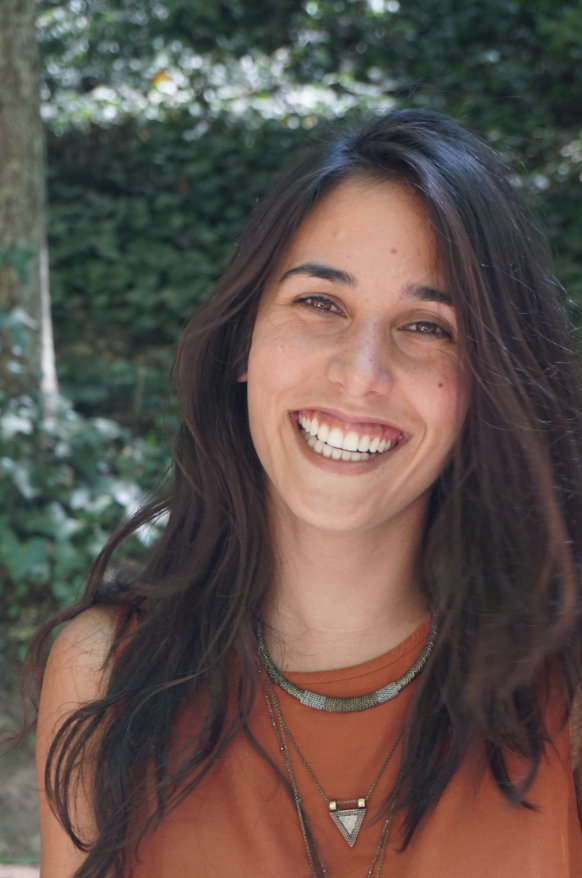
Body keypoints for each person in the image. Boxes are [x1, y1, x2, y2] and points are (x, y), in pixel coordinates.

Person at [23, 109, 582, 878]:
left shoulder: (566, 686)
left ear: (486, 383)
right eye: (320, 303)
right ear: (244, 342)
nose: (361, 375)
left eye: (427, 326)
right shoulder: (106, 675)